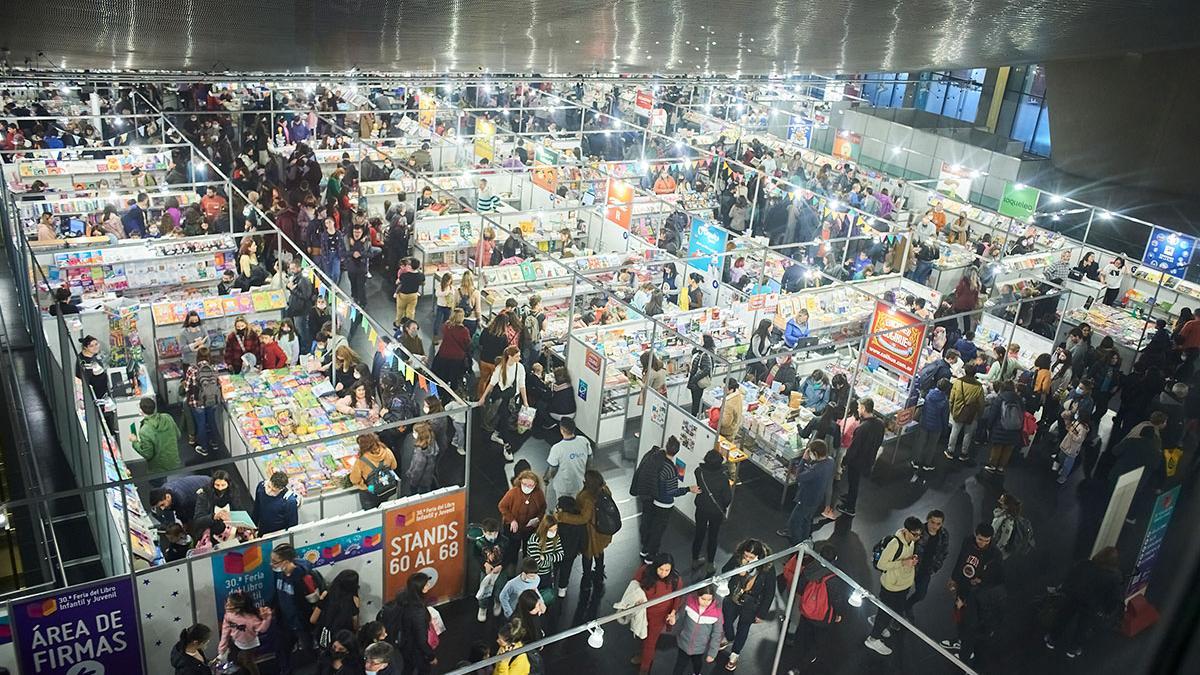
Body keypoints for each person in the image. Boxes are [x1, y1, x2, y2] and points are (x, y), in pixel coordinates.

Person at [1045, 547, 1124, 659]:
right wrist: (1107, 611)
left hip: (1075, 598)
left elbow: (1072, 576)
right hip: (1092, 606)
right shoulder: (1115, 576)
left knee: (1063, 618)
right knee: (1083, 628)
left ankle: (1052, 639)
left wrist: (1063, 589)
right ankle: (1073, 649)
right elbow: (1115, 597)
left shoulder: (1086, 564)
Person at [635, 436, 701, 562]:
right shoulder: (671, 469)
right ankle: (651, 556)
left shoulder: (656, 461)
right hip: (664, 504)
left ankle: (644, 549)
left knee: (648, 524)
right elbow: (672, 491)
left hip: (651, 499)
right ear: (677, 451)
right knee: (657, 531)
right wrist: (688, 489)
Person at [863, 516, 923, 656]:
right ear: (906, 531)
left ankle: (877, 622)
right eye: (915, 534)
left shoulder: (911, 541)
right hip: (892, 586)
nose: (918, 537)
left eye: (920, 534)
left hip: (903, 584)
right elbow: (881, 564)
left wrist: (911, 561)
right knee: (888, 611)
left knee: (891, 610)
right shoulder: (894, 544)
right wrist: (903, 563)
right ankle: (873, 638)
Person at [555, 469, 615, 593]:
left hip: (591, 533)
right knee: (599, 551)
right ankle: (599, 572)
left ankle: (587, 579)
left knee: (588, 555)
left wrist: (562, 516)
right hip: (603, 530)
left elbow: (583, 519)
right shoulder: (605, 489)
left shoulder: (587, 497)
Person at [719, 539, 773, 670]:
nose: (748, 558)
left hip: (751, 602)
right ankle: (729, 637)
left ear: (758, 556)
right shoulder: (738, 558)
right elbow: (725, 570)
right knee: (726, 621)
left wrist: (761, 614)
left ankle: (735, 654)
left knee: (743, 628)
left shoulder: (767, 566)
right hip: (733, 596)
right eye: (746, 555)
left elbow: (769, 591)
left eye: (751, 557)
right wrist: (738, 569)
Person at [271, 543, 321, 671]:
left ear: (286, 562)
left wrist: (308, 624)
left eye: (275, 561)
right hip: (285, 621)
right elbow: (278, 593)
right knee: (283, 649)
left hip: (301, 624)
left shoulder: (303, 578)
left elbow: (313, 603)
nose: (272, 564)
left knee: (308, 649)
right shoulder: (280, 574)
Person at [632, 553, 684, 674]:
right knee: (641, 635)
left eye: (667, 570)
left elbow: (677, 597)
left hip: (659, 617)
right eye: (661, 569)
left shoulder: (675, 579)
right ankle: (643, 656)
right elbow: (634, 585)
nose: (663, 573)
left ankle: (645, 668)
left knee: (650, 642)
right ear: (655, 566)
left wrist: (673, 611)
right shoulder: (645, 571)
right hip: (642, 613)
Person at [781, 439, 834, 546]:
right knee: (807, 520)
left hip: (806, 499)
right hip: (817, 499)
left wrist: (803, 460)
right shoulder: (830, 462)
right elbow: (829, 484)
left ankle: (798, 545)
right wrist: (828, 504)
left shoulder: (816, 469)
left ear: (815, 454)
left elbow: (799, 477)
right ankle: (805, 538)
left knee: (794, 522)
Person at [838, 398, 885, 517]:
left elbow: (854, 447)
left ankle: (850, 507)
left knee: (853, 483)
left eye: (859, 407)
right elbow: (879, 441)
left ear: (864, 408)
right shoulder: (880, 423)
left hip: (857, 461)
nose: (858, 409)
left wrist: (845, 461)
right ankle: (849, 497)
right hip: (869, 459)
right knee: (854, 482)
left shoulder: (862, 428)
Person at [903, 510, 950, 616]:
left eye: (938, 524)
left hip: (926, 570)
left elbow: (944, 551)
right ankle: (898, 611)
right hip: (911, 567)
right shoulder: (918, 531)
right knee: (902, 591)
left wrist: (936, 566)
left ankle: (907, 606)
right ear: (928, 520)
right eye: (932, 522)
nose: (934, 526)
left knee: (921, 594)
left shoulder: (943, 535)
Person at [671, 586, 724, 675]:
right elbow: (680, 613)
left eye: (709, 600)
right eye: (703, 599)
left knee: (697, 663)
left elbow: (717, 634)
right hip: (684, 642)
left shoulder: (717, 613)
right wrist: (674, 619)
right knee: (679, 665)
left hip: (700, 647)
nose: (706, 602)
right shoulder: (689, 603)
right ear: (697, 596)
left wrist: (712, 653)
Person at [390, 572, 437, 674]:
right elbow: (421, 640)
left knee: (408, 667)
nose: (429, 585)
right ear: (421, 589)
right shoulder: (418, 612)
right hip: (414, 647)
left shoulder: (403, 597)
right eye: (426, 584)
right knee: (424, 669)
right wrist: (431, 656)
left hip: (403, 642)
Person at [218, 590, 273, 675]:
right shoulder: (228, 615)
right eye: (227, 602)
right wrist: (222, 648)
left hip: (249, 645)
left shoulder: (251, 619)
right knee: (239, 661)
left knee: (248, 662)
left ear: (238, 608)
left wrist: (267, 619)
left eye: (230, 604)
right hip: (237, 642)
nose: (226, 606)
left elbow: (262, 629)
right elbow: (225, 631)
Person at [499, 471, 548, 562]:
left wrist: (538, 518)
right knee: (512, 549)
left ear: (535, 484)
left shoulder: (539, 494)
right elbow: (502, 506)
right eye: (524, 484)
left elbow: (543, 508)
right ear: (520, 481)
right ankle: (511, 570)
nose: (526, 487)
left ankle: (526, 567)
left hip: (530, 528)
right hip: (513, 528)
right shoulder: (513, 492)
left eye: (530, 485)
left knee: (528, 550)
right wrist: (512, 520)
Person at [543, 417, 592, 507]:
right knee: (578, 506)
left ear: (561, 430)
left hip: (563, 487)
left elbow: (553, 469)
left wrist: (546, 478)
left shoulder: (557, 448)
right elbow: (590, 458)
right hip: (579, 484)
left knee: (563, 507)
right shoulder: (584, 441)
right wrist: (585, 473)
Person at [130, 396, 182, 479]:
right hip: (174, 463)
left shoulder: (144, 430)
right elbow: (178, 435)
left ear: (141, 410)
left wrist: (135, 442)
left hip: (158, 469)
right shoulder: (167, 417)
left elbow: (148, 454)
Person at [983, 381, 1025, 474]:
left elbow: (993, 414)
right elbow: (1022, 414)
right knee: (1008, 449)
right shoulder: (1019, 399)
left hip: (1000, 428)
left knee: (997, 447)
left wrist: (989, 426)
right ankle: (1001, 467)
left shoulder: (1000, 398)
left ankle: (992, 465)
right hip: (1015, 428)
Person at [350, 432, 399, 509]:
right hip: (386, 488)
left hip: (370, 491)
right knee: (384, 511)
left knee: (371, 515)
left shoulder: (361, 460)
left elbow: (354, 479)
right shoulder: (387, 451)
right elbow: (394, 466)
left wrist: (366, 487)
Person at [945, 365, 984, 462]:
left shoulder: (958, 382)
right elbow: (981, 402)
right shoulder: (978, 386)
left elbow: (952, 398)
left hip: (958, 410)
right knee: (968, 434)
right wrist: (980, 414)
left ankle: (950, 451)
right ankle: (964, 453)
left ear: (965, 371)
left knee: (955, 431)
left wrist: (951, 409)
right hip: (972, 413)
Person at [911, 378, 950, 472]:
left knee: (920, 442)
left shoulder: (929, 394)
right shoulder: (945, 401)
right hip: (936, 426)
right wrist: (945, 428)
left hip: (924, 422)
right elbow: (945, 417)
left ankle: (916, 461)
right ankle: (926, 463)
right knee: (931, 445)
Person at [525, 514, 565, 593]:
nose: (554, 532)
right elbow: (537, 563)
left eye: (555, 529)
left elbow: (561, 555)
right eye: (551, 530)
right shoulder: (534, 539)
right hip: (534, 575)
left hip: (548, 574)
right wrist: (552, 559)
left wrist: (545, 557)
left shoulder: (556, 538)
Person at [253, 470, 300, 535]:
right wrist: (253, 527)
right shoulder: (261, 487)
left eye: (273, 490)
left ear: (281, 489)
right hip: (262, 529)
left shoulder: (289, 501)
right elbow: (256, 509)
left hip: (278, 535)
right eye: (269, 486)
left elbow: (292, 526)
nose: (269, 491)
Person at [1054, 409, 1091, 485]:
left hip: (1072, 449)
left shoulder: (1083, 429)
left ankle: (1063, 477)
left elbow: (1079, 439)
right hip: (1066, 443)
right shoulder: (1076, 422)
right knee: (1061, 457)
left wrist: (1071, 433)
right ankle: (1062, 469)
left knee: (1067, 465)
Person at [405, 422, 439, 496]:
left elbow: (417, 472)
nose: (413, 434)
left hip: (421, 481)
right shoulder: (431, 441)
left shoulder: (420, 455)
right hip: (428, 476)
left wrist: (413, 483)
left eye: (414, 432)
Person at [686, 334, 716, 416]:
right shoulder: (701, 350)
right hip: (695, 380)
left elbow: (706, 369)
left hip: (698, 382)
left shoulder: (706, 354)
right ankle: (697, 413)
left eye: (700, 340)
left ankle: (695, 416)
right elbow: (693, 353)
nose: (699, 341)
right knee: (696, 399)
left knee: (696, 400)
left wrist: (694, 379)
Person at [394, 257, 425, 324]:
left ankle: (398, 323)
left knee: (400, 310)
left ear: (410, 267)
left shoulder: (404, 275)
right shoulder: (421, 275)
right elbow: (423, 283)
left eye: (408, 264)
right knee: (411, 311)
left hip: (403, 295)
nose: (407, 265)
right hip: (414, 295)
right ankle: (409, 324)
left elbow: (398, 282)